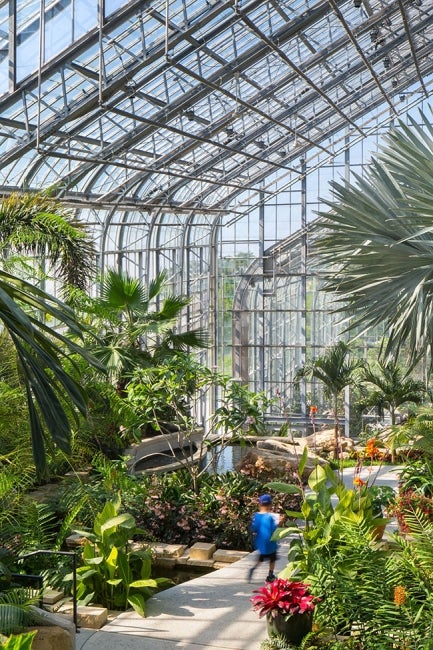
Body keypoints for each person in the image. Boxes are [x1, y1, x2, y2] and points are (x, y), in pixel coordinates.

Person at [248, 493, 280, 583]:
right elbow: (273, 529)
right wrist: (280, 523)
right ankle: (270, 575)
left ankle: (253, 568)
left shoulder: (257, 516)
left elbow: (254, 528)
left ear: (260, 504)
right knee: (272, 559)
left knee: (260, 558)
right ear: (270, 505)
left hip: (261, 543)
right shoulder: (270, 517)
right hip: (270, 542)